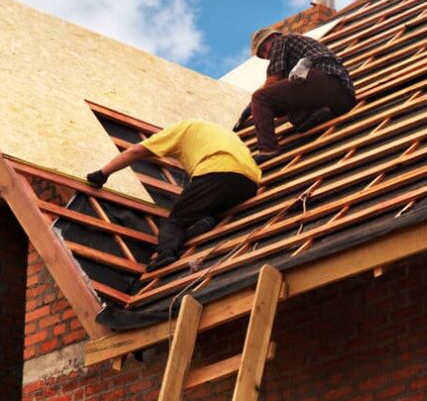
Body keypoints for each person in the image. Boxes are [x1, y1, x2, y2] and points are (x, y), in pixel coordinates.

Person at [85, 119, 261, 272]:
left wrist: (102, 173)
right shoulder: (217, 133)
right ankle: (204, 221)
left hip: (217, 171)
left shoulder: (180, 129)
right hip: (250, 182)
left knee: (174, 221)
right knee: (203, 207)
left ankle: (166, 254)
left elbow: (137, 151)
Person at [248, 27, 355, 163]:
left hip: (321, 79)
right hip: (343, 96)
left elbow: (273, 79)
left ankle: (268, 149)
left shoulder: (281, 41)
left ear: (273, 37)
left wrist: (255, 104)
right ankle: (318, 111)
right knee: (294, 116)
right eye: (263, 56)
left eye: (264, 49)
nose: (267, 55)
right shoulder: (297, 46)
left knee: (260, 98)